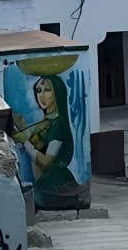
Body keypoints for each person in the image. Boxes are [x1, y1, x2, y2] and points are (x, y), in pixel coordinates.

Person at [12, 75, 81, 208]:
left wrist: (25, 141)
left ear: (58, 93)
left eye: (47, 90)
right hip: (42, 183)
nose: (42, 95)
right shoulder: (46, 122)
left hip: (54, 186)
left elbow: (45, 162)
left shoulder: (57, 125)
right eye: (38, 90)